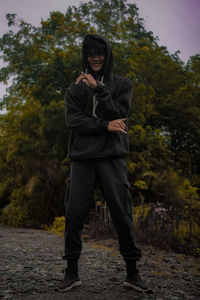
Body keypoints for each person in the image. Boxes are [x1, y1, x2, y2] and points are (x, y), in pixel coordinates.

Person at [56, 34, 151, 293]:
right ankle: (71, 272)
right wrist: (104, 126)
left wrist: (99, 89)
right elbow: (73, 122)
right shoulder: (75, 89)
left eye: (99, 53)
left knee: (122, 213)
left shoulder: (122, 84)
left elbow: (120, 113)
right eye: (90, 53)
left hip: (112, 158)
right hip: (83, 159)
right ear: (85, 57)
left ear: (107, 55)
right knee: (74, 213)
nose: (95, 57)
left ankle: (133, 273)